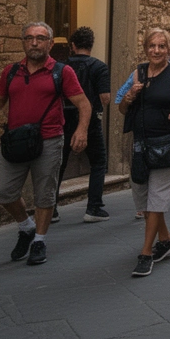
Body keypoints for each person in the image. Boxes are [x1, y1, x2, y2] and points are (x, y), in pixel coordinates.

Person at [0, 22, 90, 265]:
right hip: (15, 141)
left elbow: (84, 104)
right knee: (3, 192)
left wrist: (81, 131)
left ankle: (39, 240)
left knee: (44, 194)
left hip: (48, 140)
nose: (34, 42)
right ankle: (26, 226)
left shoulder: (61, 72)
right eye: (29, 38)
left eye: (40, 38)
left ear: (50, 44)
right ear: (23, 42)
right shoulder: (11, 71)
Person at [118, 28, 170, 277]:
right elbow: (121, 108)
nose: (157, 51)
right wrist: (129, 96)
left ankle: (146, 253)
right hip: (140, 144)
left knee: (156, 199)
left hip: (166, 144)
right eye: (153, 46)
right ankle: (167, 239)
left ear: (169, 49)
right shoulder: (138, 72)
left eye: (162, 46)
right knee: (144, 200)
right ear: (146, 48)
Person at [56, 26, 111, 223]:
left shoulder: (61, 67)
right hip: (90, 120)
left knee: (59, 163)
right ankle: (94, 207)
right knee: (98, 162)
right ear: (91, 45)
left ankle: (51, 208)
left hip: (63, 118)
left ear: (72, 45)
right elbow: (105, 97)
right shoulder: (99, 67)